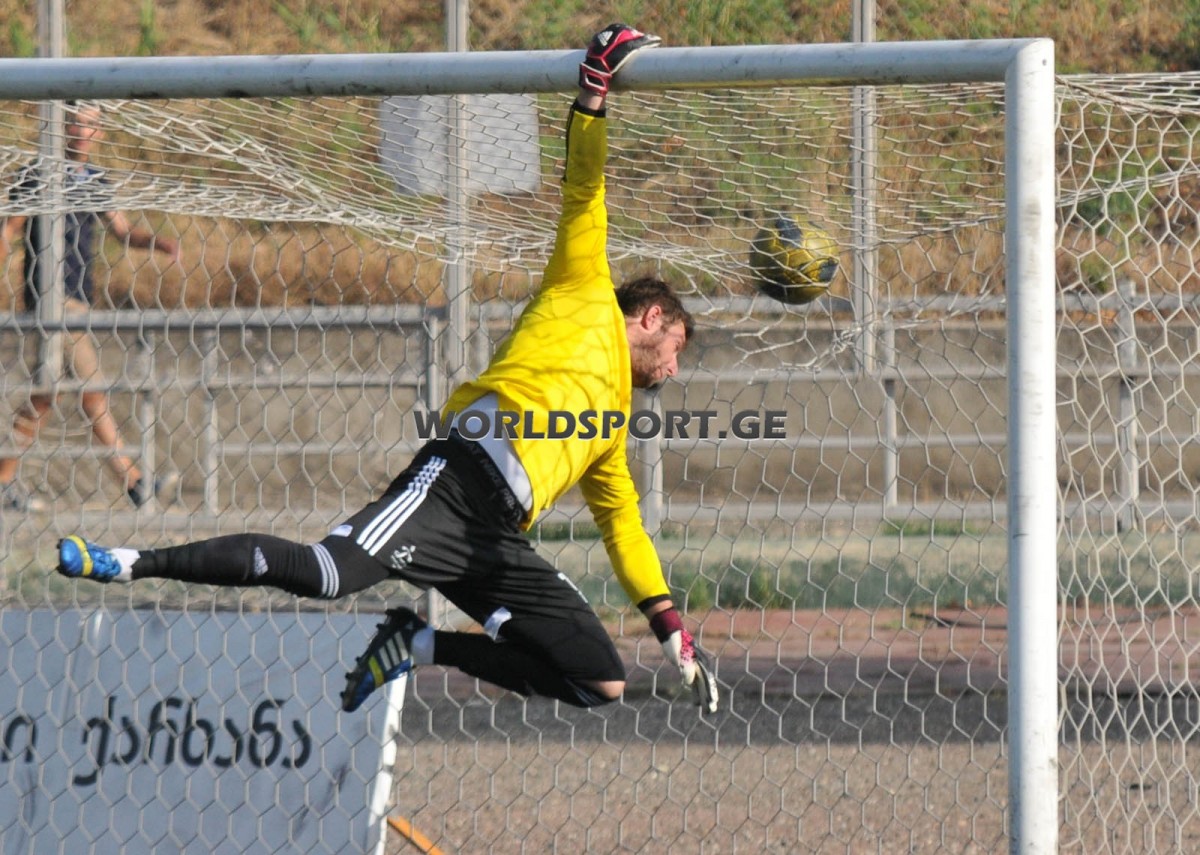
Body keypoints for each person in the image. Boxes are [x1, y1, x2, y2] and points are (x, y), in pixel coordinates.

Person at [56, 25, 719, 716]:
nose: (674, 369)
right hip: (455, 485)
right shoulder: (582, 286)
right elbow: (585, 190)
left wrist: (670, 627)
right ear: (651, 316)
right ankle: (131, 561)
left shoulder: (610, 425)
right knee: (325, 573)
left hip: (496, 538)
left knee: (597, 679)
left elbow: (624, 528)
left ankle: (417, 643)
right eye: (677, 346)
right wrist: (593, 94)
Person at [0, 102, 181, 512]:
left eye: (90, 126)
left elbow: (122, 230)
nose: (82, 132)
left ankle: (3, 480)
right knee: (92, 393)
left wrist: (158, 242)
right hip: (52, 301)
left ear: (99, 133)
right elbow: (10, 229)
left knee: (45, 397)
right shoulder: (38, 174)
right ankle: (136, 483)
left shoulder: (94, 179)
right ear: (60, 127)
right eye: (76, 124)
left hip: (79, 301)